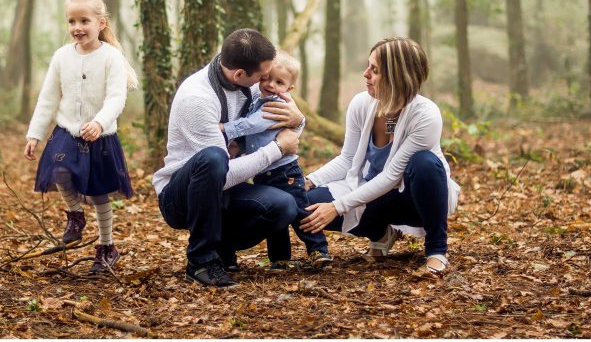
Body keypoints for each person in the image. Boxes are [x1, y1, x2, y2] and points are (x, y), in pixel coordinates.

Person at [152, 29, 306, 288]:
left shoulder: (247, 76)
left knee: (284, 205)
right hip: (179, 194)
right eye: (262, 76)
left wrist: (298, 120)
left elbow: (287, 119)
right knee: (213, 158)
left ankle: (221, 247)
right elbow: (221, 174)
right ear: (239, 75)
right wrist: (277, 150)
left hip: (224, 190)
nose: (266, 81)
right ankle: (201, 261)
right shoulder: (197, 98)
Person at [300, 37, 460, 276]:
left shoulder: (426, 115)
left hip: (416, 199)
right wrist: (310, 180)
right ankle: (381, 234)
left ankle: (437, 251)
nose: (365, 74)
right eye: (368, 66)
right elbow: (347, 159)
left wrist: (337, 206)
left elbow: (392, 176)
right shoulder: (361, 104)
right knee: (307, 201)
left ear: (397, 75)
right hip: (376, 194)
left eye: (374, 69)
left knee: (424, 162)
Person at [24, 0, 138, 273]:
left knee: (100, 194)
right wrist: (34, 134)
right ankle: (75, 214)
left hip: (100, 136)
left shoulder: (111, 57)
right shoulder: (62, 56)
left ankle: (106, 246)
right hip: (67, 132)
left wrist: (99, 122)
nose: (77, 28)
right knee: (58, 171)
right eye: (72, 21)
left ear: (100, 23)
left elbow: (116, 97)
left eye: (84, 21)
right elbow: (48, 97)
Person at [220, 51, 331, 269]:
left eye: (279, 82)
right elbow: (257, 138)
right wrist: (238, 146)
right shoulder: (256, 100)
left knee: (300, 211)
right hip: (263, 172)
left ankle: (318, 249)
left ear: (289, 88)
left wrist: (225, 129)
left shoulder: (275, 104)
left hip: (285, 172)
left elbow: (253, 125)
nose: (270, 85)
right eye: (266, 78)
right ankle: (279, 257)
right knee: (276, 216)